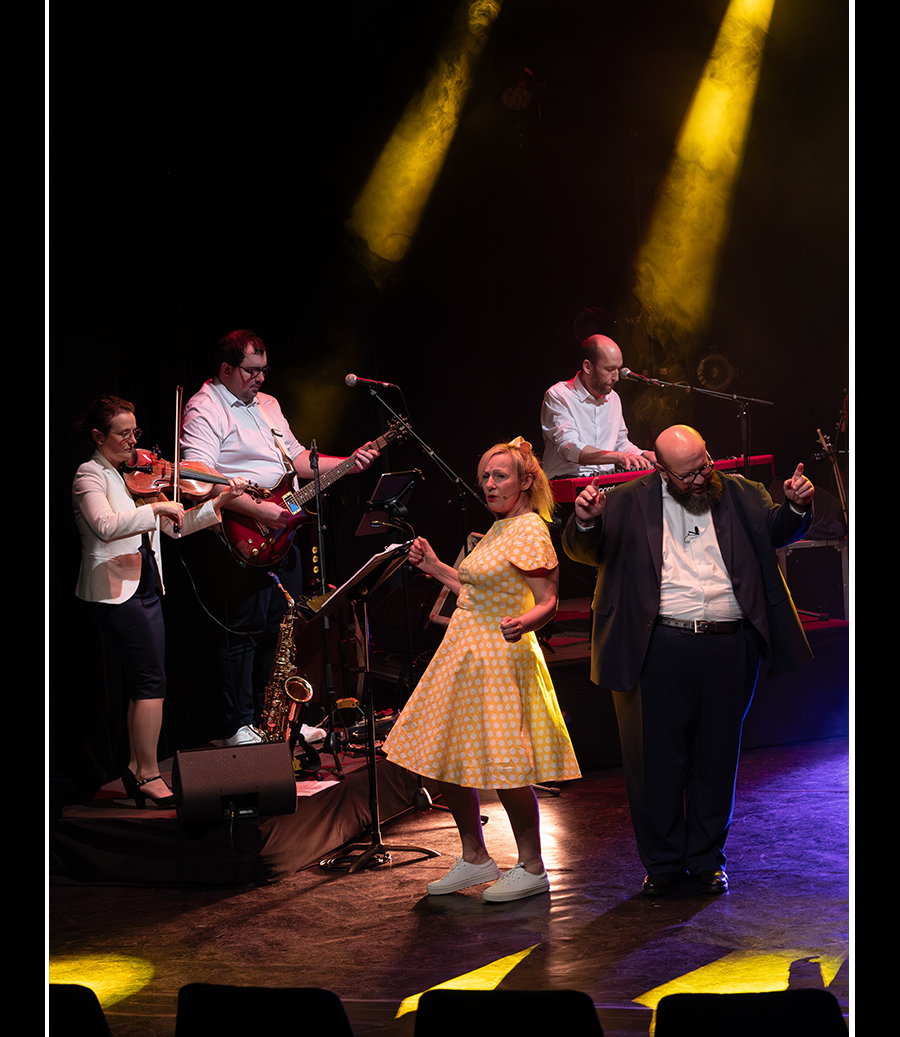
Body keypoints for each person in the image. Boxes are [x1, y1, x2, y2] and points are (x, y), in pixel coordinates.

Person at [563, 424, 815, 896]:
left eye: (704, 466)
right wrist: (586, 521)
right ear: (662, 471)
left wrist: (797, 505)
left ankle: (706, 862)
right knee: (654, 762)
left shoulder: (742, 493)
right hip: (656, 645)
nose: (701, 479)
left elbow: (778, 530)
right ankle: (662, 865)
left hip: (729, 643)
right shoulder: (626, 501)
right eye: (687, 475)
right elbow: (585, 551)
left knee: (717, 757)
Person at [382, 437, 581, 902]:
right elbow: (474, 591)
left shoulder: (530, 529)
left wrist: (524, 623)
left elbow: (548, 600)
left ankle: (532, 867)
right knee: (443, 758)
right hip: (462, 654)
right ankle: (475, 858)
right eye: (485, 478)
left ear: (525, 481)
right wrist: (435, 567)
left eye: (499, 476)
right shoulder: (498, 528)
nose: (489, 485)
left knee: (507, 766)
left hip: (499, 657)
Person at [179, 329, 380, 745]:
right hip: (240, 536)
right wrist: (259, 511)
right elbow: (197, 478)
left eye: (264, 371)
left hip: (282, 531)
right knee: (243, 633)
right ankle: (238, 725)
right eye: (251, 371)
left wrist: (349, 462)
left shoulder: (267, 404)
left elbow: (298, 458)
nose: (260, 379)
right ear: (226, 369)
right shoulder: (205, 407)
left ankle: (278, 724)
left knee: (280, 629)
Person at [73, 395, 247, 806]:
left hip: (146, 586)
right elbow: (105, 526)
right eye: (122, 434)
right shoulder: (89, 474)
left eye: (134, 432)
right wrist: (156, 510)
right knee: (151, 681)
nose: (132, 441)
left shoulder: (136, 476)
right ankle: (148, 774)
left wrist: (218, 503)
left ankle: (138, 768)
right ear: (98, 436)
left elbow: (175, 528)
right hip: (114, 591)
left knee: (147, 681)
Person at [541, 334, 656, 480]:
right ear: (588, 367)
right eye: (609, 369)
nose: (616, 377)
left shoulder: (613, 398)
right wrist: (619, 457)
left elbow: (620, 443)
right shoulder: (559, 395)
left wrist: (643, 454)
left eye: (618, 369)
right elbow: (569, 448)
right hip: (566, 480)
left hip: (605, 481)